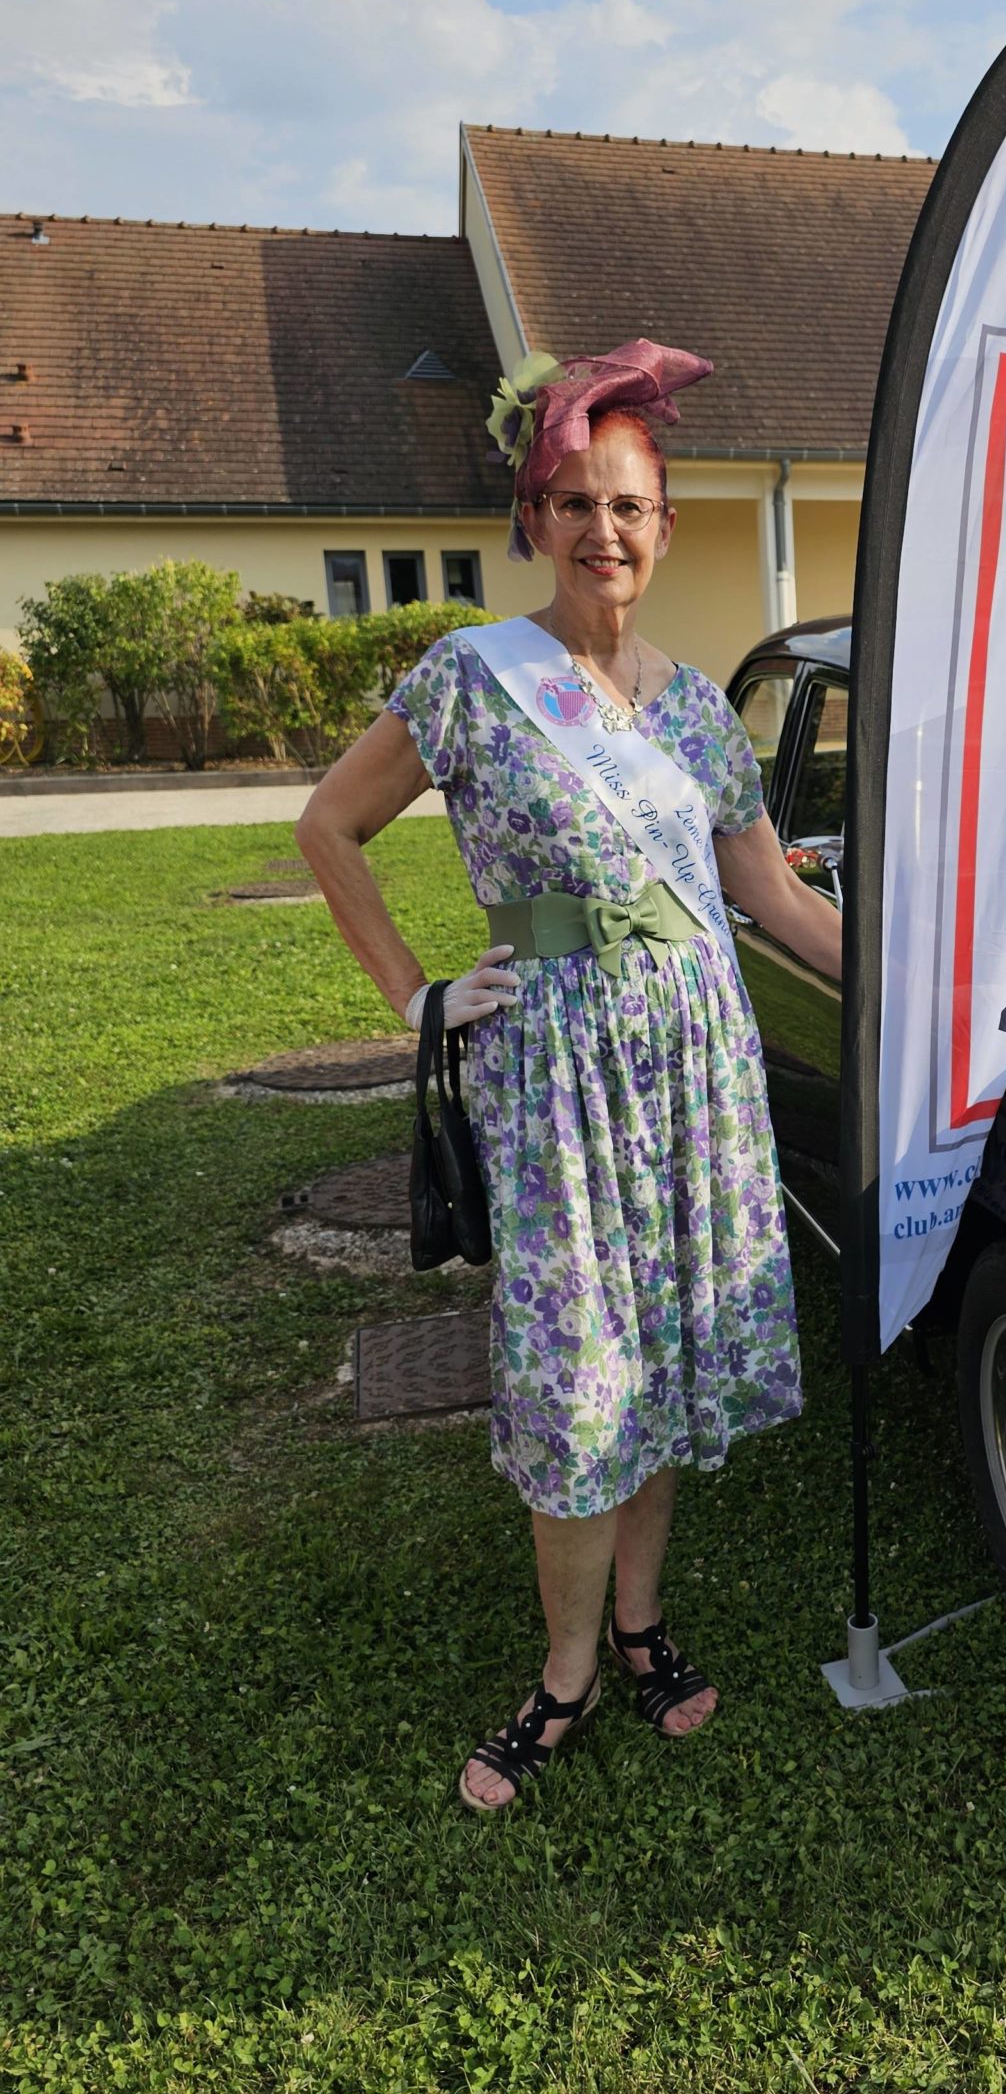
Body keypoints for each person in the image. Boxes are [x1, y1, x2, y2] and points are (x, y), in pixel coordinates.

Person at [297, 339, 842, 1811]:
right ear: (534, 519)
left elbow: (774, 904)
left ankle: (643, 1629)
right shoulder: (473, 682)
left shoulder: (700, 712)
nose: (606, 529)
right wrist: (419, 998)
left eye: (631, 506)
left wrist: (921, 989)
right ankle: (565, 1674)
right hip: (552, 1079)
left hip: (695, 1070)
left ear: (665, 527)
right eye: (577, 501)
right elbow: (328, 827)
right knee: (571, 1377)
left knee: (655, 1361)